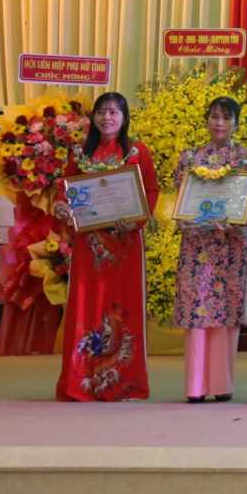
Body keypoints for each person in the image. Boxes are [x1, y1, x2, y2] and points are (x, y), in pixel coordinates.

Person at [53, 92, 160, 402]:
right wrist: (62, 206)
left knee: (124, 305)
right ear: (93, 117)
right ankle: (81, 381)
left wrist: (137, 220)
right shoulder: (79, 153)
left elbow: (151, 191)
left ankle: (124, 383)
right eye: (101, 112)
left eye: (114, 112)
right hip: (90, 245)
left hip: (126, 243)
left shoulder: (139, 152)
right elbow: (65, 189)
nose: (107, 118)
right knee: (86, 304)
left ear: (124, 118)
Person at [170, 96, 247, 403]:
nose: (219, 123)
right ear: (207, 120)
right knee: (198, 307)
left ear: (237, 122)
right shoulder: (190, 158)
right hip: (197, 244)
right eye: (214, 117)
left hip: (231, 243)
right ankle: (195, 386)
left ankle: (221, 384)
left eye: (226, 118)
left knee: (225, 310)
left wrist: (239, 221)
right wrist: (186, 220)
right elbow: (182, 201)